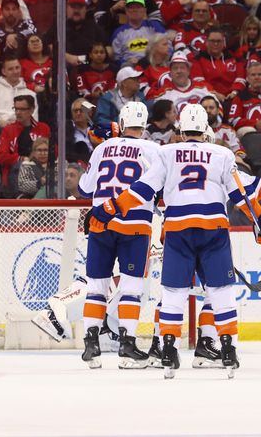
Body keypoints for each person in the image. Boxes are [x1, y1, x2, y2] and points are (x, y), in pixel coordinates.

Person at [89, 104, 261, 375]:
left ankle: (167, 348)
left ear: (181, 130)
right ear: (207, 131)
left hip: (177, 231)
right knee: (220, 291)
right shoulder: (221, 153)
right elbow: (244, 191)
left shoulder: (166, 152)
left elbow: (143, 189)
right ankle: (226, 347)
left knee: (173, 293)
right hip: (213, 230)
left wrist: (112, 206)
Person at [76, 102, 160, 369]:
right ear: (144, 126)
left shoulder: (101, 148)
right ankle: (127, 345)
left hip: (101, 222)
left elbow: (83, 188)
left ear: (121, 124)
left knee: (97, 285)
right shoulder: (153, 149)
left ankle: (91, 345)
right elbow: (160, 190)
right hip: (135, 224)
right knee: (132, 287)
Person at [0, 55, 37, 193]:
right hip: (0, 128)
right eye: (11, 69)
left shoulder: (29, 93)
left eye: (17, 68)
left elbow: (35, 116)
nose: (15, 71)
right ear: (3, 71)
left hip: (22, 127)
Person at [0, 95, 51, 196]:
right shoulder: (8, 130)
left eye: (22, 109)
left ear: (32, 110)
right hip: (16, 171)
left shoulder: (44, 128)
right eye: (16, 109)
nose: (18, 112)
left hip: (41, 169)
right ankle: (21, 197)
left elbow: (53, 153)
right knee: (22, 166)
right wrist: (23, 159)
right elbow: (1, 157)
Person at [111, 0, 166, 67]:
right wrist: (126, 62)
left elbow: (168, 46)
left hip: (154, 65)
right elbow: (116, 56)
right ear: (126, 11)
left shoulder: (155, 26)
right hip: (129, 68)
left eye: (138, 7)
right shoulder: (118, 32)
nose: (135, 10)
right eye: (131, 7)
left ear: (144, 10)